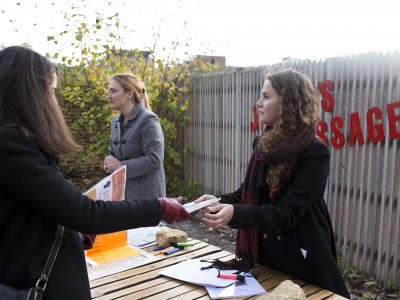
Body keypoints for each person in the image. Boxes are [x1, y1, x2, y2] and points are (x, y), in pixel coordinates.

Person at [0, 46, 192, 300]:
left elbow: (30, 216)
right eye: (52, 92)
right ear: (29, 94)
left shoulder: (148, 120)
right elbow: (82, 213)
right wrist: (158, 208)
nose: (53, 101)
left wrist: (73, 232)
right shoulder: (11, 144)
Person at [195, 70, 350, 298]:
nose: (258, 103)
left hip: (302, 260)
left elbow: (285, 214)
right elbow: (248, 194)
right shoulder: (263, 144)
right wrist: (219, 202)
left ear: (288, 103)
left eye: (266, 97)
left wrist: (234, 213)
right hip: (265, 257)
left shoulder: (315, 152)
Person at [103, 73, 166, 200]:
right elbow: (113, 152)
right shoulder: (116, 122)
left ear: (130, 94)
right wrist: (109, 160)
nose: (108, 96)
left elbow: (154, 160)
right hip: (123, 194)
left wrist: (120, 165)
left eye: (113, 91)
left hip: (147, 197)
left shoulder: (148, 120)